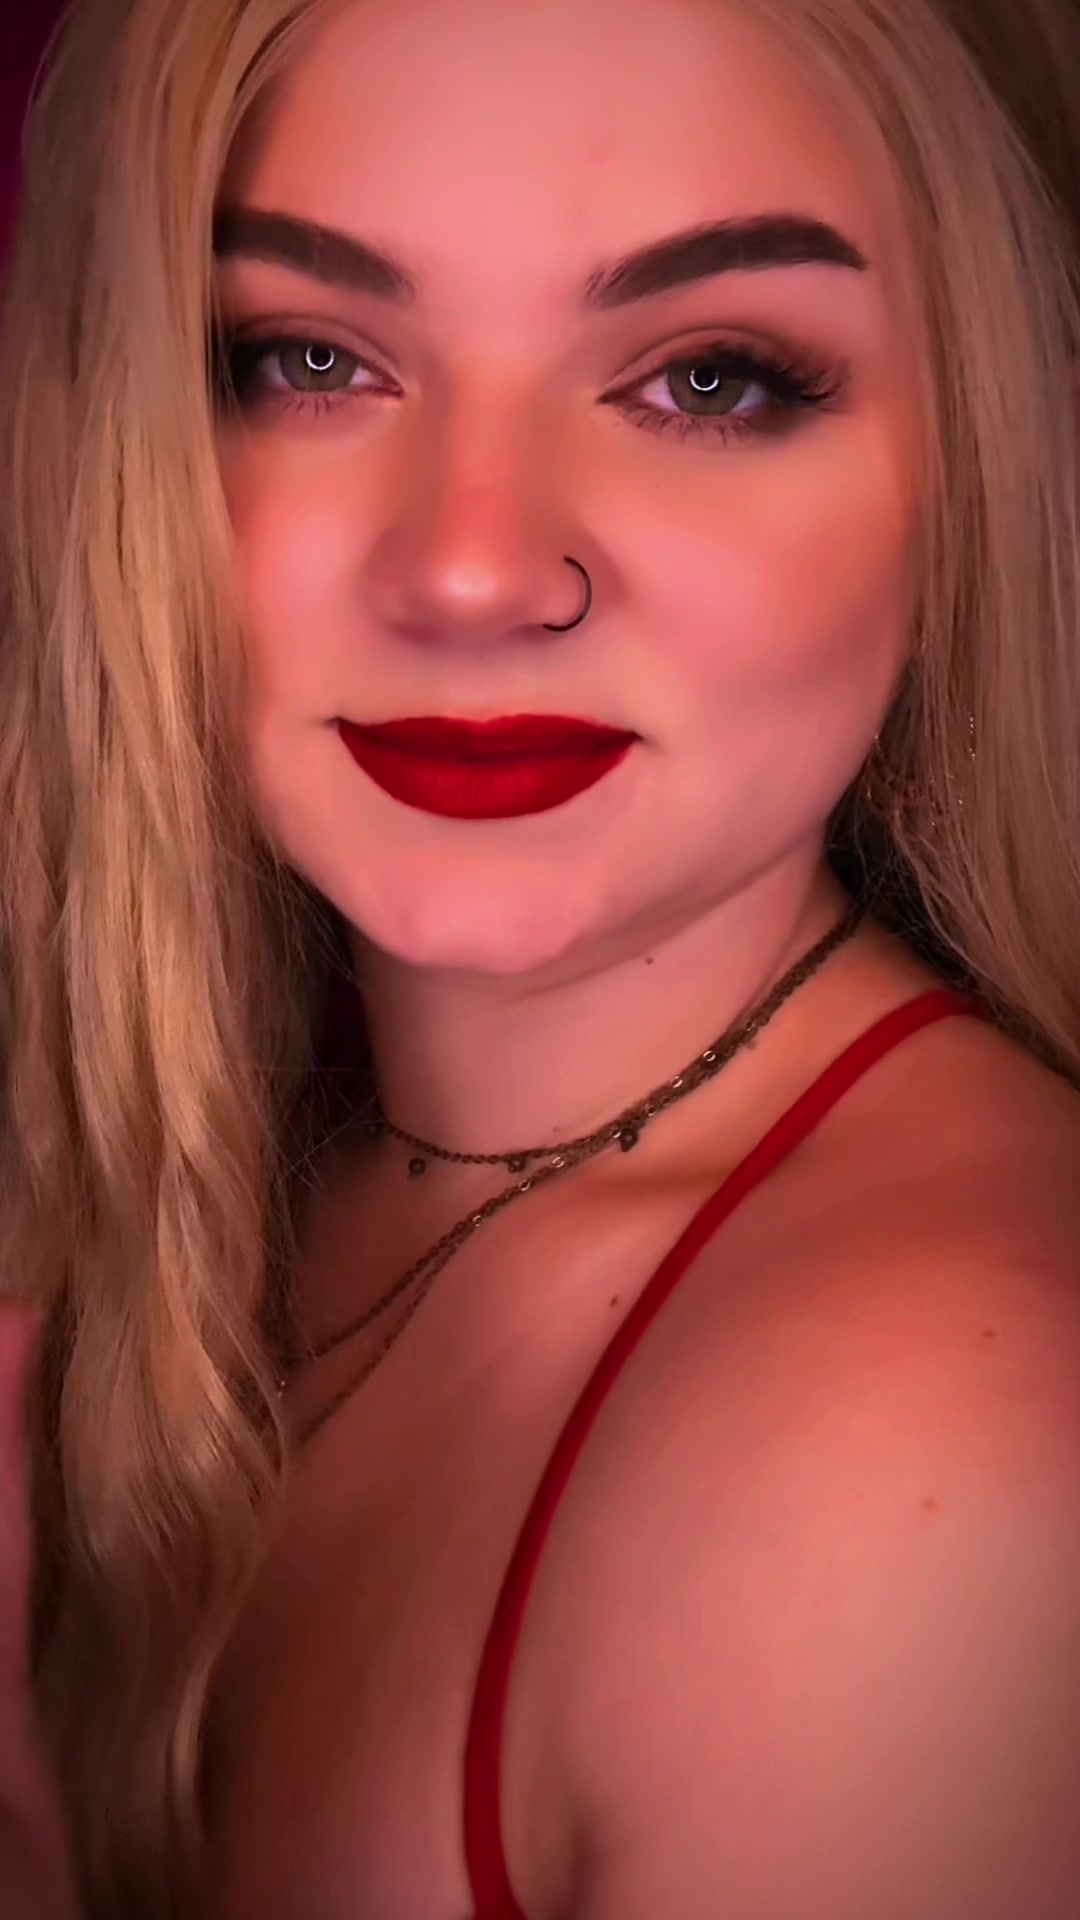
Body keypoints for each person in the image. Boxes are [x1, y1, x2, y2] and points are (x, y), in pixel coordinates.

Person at [1, 0, 1080, 1913]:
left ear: (975, 468)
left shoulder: (939, 1453)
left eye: (710, 380)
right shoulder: (230, 1177)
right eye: (308, 361)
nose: (476, 573)